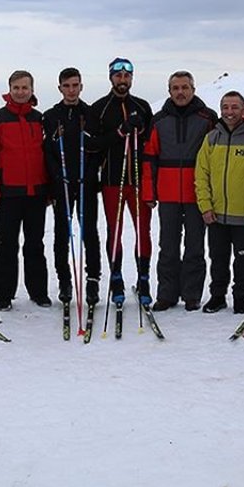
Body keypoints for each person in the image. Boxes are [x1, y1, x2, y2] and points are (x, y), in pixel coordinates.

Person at [142, 71, 217, 311]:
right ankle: (167, 293)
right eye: (176, 88)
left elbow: (215, 159)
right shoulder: (159, 120)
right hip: (168, 193)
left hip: (197, 193)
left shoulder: (208, 118)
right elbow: (149, 158)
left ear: (193, 89)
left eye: (185, 87)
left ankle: (192, 294)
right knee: (168, 246)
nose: (181, 92)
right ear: (169, 91)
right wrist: (148, 192)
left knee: (195, 246)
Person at [87, 58, 155, 307]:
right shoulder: (100, 108)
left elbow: (151, 143)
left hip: (138, 180)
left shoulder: (143, 106)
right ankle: (116, 279)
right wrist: (120, 133)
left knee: (143, 231)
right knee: (114, 232)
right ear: (111, 78)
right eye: (118, 75)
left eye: (126, 76)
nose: (122, 80)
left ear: (132, 78)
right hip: (111, 180)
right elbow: (91, 144)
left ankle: (144, 278)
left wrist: (140, 132)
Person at [0, 70, 50, 309]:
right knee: (6, 244)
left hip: (36, 193)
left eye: (25, 88)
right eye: (16, 88)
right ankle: (4, 294)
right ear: (9, 90)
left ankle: (38, 291)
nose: (21, 92)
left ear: (32, 90)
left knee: (35, 243)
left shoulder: (39, 119)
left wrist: (49, 190)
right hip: (9, 192)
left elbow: (48, 157)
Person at [195, 91, 244, 313]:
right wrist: (205, 206)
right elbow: (201, 174)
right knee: (217, 258)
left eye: (235, 107)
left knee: (242, 259)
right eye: (226, 107)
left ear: (243, 110)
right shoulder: (211, 138)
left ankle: (240, 297)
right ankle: (218, 296)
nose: (230, 112)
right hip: (216, 213)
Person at [43, 67, 102, 305]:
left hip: (85, 182)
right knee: (61, 233)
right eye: (66, 86)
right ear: (60, 88)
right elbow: (47, 150)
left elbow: (98, 147)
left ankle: (93, 280)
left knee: (89, 232)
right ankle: (64, 280)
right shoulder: (51, 115)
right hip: (63, 183)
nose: (71, 90)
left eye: (75, 85)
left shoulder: (90, 113)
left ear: (81, 86)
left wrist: (91, 172)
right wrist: (57, 176)